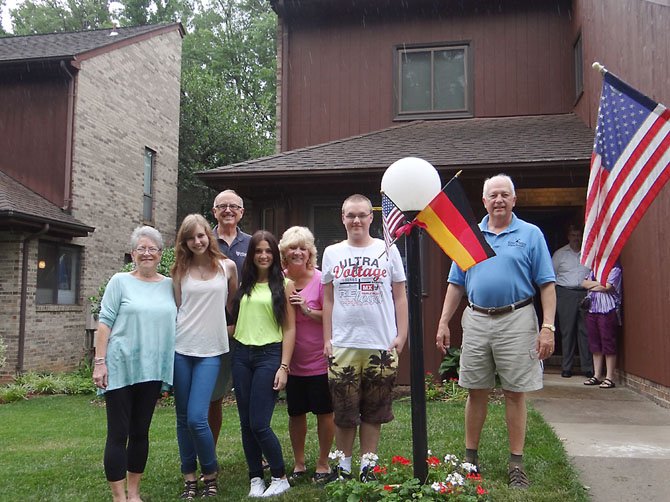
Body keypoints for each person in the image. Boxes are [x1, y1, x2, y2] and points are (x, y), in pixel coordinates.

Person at [435, 174, 556, 490]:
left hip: (517, 319)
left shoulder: (530, 235)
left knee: (516, 393)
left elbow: (546, 283)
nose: (499, 200)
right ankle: (470, 458)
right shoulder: (469, 235)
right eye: (493, 195)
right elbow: (456, 283)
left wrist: (547, 327)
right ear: (484, 201)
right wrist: (444, 321)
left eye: (505, 194)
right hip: (476, 319)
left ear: (514, 200)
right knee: (476, 390)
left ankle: (516, 462)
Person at [321, 194, 408, 482]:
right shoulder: (332, 252)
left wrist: (402, 334)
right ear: (342, 217)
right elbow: (328, 300)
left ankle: (367, 466)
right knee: (344, 411)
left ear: (371, 218)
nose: (356, 220)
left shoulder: (388, 249)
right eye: (350, 215)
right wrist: (327, 339)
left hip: (380, 345)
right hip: (343, 345)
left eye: (362, 215)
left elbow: (399, 295)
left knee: (374, 411)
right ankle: (343, 468)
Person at [92, 226, 176, 502]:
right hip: (120, 366)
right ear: (133, 254)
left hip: (152, 370)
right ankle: (118, 497)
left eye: (153, 249)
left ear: (161, 254)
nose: (147, 253)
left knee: (140, 432)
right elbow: (104, 322)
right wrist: (99, 362)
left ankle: (134, 493)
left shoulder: (169, 285)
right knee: (118, 433)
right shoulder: (120, 281)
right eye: (142, 248)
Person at [171, 214, 238, 499]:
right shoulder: (179, 271)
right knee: (182, 417)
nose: (197, 241)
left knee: (198, 417)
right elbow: (177, 308)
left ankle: (209, 472)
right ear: (184, 242)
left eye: (201, 236)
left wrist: (232, 327)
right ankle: (189, 477)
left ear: (208, 237)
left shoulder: (227, 267)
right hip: (182, 349)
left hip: (212, 351)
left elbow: (233, 303)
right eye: (190, 237)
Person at [230, 230, 297, 497]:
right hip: (241, 356)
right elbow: (236, 324)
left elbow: (290, 330)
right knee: (246, 423)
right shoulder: (243, 286)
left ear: (275, 255)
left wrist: (284, 367)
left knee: (259, 423)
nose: (263, 255)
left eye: (268, 251)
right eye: (258, 251)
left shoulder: (285, 285)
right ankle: (255, 477)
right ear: (252, 255)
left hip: (269, 356)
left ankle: (280, 476)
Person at [279, 226, 335, 485]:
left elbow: (332, 316)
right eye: (292, 248)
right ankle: (299, 462)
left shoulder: (320, 280)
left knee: (325, 413)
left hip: (319, 362)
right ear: (284, 253)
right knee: (296, 413)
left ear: (310, 252)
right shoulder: (279, 280)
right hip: (292, 363)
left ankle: (323, 463)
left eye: (303, 248)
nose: (298, 252)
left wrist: (307, 310)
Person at [208, 189, 251, 445]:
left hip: (249, 329)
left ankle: (258, 451)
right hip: (213, 329)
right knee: (213, 396)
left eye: (233, 206)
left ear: (241, 212)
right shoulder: (203, 241)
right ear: (214, 211)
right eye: (222, 206)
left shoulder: (252, 243)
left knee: (249, 394)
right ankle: (208, 449)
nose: (228, 210)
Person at [552, 225, 593, 378]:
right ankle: (566, 367)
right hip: (566, 293)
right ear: (568, 236)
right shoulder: (560, 254)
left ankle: (587, 367)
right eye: (573, 234)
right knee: (567, 331)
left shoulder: (588, 253)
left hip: (585, 293)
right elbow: (551, 275)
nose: (576, 237)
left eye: (578, 234)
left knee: (585, 331)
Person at [582, 263, 623, 389]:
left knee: (608, 341)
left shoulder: (615, 269)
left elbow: (608, 287)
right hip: (593, 309)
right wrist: (599, 284)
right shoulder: (594, 269)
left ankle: (609, 377)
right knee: (595, 343)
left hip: (608, 309)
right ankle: (597, 374)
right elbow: (584, 284)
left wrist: (593, 284)